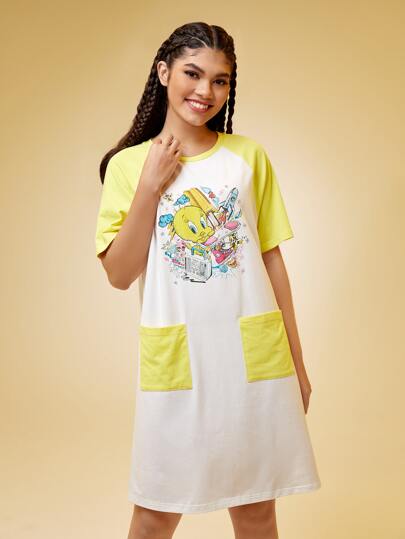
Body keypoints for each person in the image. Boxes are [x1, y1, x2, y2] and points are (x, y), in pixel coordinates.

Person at [95, 21, 321, 539]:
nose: (205, 91)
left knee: (256, 510)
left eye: (220, 80)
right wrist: (150, 186)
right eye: (193, 74)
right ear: (164, 72)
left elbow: (271, 261)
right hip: (181, 361)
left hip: (253, 360)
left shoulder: (248, 157)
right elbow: (119, 274)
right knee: (155, 513)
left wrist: (297, 362)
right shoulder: (129, 166)